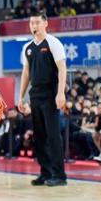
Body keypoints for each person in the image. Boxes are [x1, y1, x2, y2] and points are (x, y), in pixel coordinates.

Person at [18, 11, 68, 186]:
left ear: (45, 23)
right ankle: (45, 173)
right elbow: (26, 73)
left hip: (50, 92)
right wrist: (21, 96)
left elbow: (62, 69)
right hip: (35, 94)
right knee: (39, 136)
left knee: (53, 135)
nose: (34, 26)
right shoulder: (27, 47)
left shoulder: (53, 43)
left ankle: (59, 175)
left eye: (37, 22)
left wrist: (61, 93)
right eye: (31, 23)